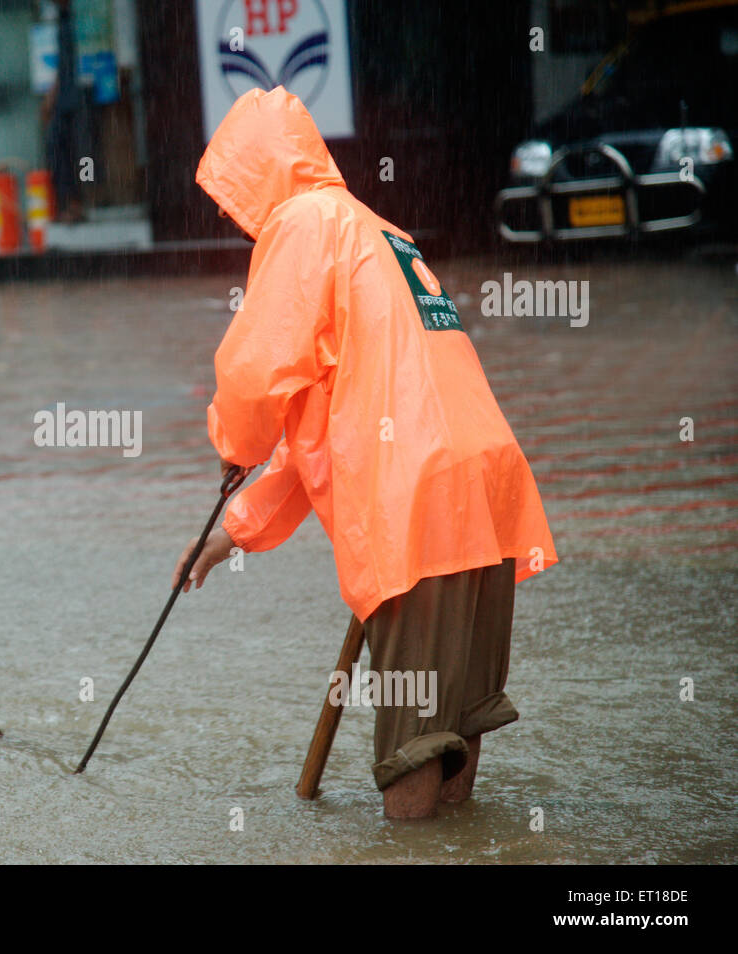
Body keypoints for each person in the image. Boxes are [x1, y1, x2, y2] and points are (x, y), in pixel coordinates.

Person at [171, 87, 557, 819]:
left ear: (258, 175)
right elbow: (323, 424)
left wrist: (235, 444)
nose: (231, 215)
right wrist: (233, 533)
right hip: (486, 488)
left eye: (230, 195)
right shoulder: (379, 230)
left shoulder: (302, 222)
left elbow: (256, 377)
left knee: (411, 748)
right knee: (459, 721)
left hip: (416, 503)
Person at [41, 0, 88, 223]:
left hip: (77, 96)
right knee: (59, 148)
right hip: (68, 96)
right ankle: (69, 204)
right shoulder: (63, 18)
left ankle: (76, 205)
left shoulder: (77, 18)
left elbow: (69, 62)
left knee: (75, 151)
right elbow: (64, 63)